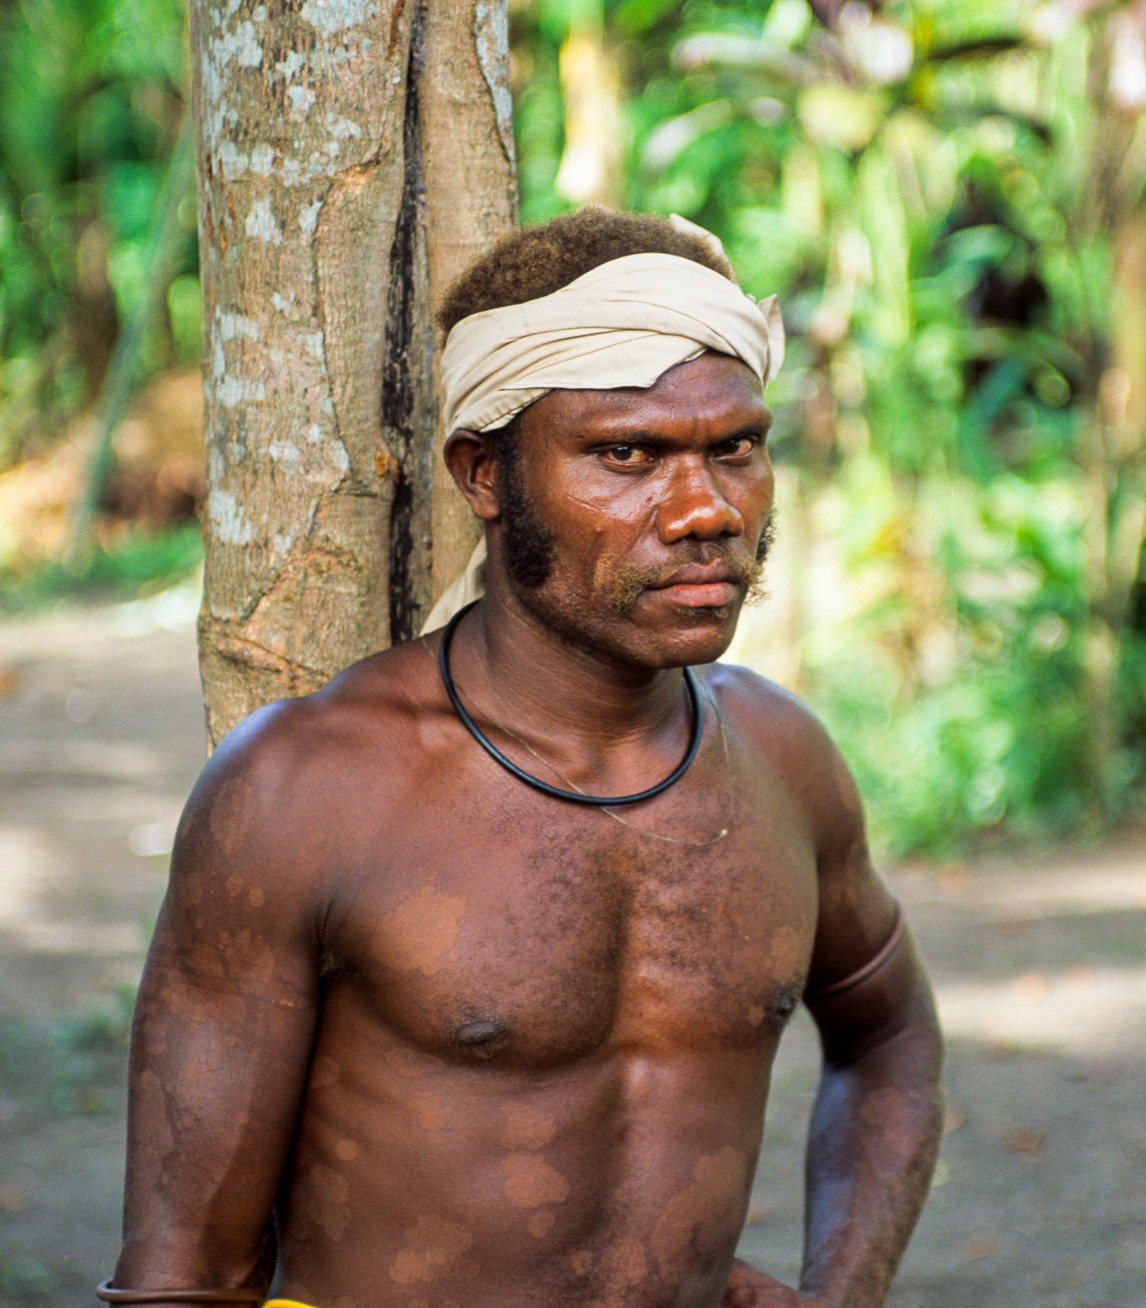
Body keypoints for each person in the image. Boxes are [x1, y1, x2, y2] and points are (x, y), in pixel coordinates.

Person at [103, 209, 943, 1308]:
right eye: (626, 454)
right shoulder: (310, 791)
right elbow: (180, 1276)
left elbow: (890, 1035)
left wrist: (843, 1295)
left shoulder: (781, 763)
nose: (704, 510)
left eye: (734, 447)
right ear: (484, 474)